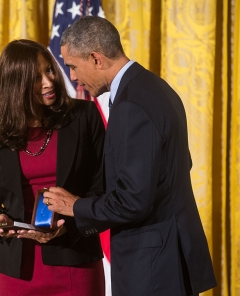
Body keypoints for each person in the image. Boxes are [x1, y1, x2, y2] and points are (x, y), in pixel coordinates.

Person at [43, 16, 217, 296]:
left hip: (153, 267)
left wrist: (76, 206)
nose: (72, 77)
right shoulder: (155, 88)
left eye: (73, 66)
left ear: (96, 58)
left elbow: (132, 200)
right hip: (167, 255)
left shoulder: (131, 104)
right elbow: (177, 165)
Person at [0, 39, 106, 296]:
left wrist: (70, 225)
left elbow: (102, 186)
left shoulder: (84, 117)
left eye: (49, 70)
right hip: (16, 267)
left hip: (74, 259)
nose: (49, 81)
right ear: (15, 84)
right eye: (36, 77)